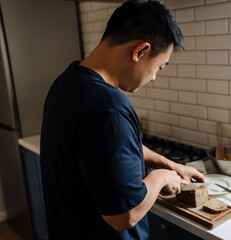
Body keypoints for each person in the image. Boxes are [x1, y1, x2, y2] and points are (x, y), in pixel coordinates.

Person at [40, 1, 204, 239]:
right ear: (140, 51)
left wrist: (170, 165)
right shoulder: (110, 107)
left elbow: (109, 150)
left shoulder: (67, 83)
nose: (154, 77)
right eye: (159, 66)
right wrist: (160, 178)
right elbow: (123, 216)